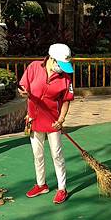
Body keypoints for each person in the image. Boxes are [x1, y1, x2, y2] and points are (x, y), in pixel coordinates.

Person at [18, 43, 75, 204]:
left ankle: (62, 188)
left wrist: (61, 119)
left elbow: (66, 101)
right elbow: (23, 86)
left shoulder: (65, 78)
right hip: (34, 119)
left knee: (57, 155)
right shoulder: (34, 67)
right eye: (60, 64)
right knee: (38, 154)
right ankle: (41, 184)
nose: (62, 68)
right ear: (51, 59)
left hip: (53, 121)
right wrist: (23, 92)